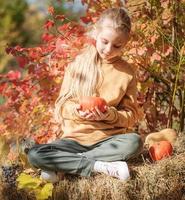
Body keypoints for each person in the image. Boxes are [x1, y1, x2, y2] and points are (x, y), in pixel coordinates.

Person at [27, 7, 143, 183]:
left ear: (125, 43)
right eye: (104, 41)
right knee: (35, 154)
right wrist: (77, 111)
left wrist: (110, 115)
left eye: (117, 46)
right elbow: (62, 106)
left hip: (108, 141)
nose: (108, 49)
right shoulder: (78, 65)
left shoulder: (127, 72)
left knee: (135, 142)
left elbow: (131, 115)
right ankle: (99, 166)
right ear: (96, 33)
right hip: (73, 141)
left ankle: (66, 166)